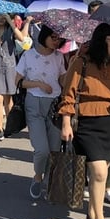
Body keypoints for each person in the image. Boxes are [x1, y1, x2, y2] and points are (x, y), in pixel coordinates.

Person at [59, 22, 110, 219]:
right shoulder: (81, 62)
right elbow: (68, 94)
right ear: (101, 41)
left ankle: (92, 210)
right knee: (99, 173)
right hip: (87, 123)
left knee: (100, 174)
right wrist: (66, 122)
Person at [15, 23, 67, 199]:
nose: (56, 41)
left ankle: (48, 181)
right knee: (41, 149)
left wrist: (72, 69)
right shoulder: (28, 55)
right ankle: (38, 176)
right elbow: (18, 81)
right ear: (44, 35)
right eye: (53, 37)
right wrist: (38, 84)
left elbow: (63, 80)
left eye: (59, 39)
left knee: (54, 148)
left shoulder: (59, 57)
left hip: (55, 105)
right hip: (34, 104)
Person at [85, 0, 110, 203]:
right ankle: (89, 186)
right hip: (88, 113)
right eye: (95, 13)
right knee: (94, 161)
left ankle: (108, 186)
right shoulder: (84, 39)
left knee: (109, 155)